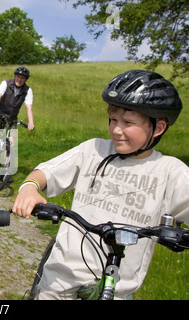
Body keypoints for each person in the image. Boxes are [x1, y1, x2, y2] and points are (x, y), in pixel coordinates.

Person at [12, 70, 189, 299]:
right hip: (60, 281)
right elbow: (45, 172)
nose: (116, 129)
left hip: (116, 290)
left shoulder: (170, 172)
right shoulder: (94, 150)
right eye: (113, 120)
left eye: (128, 122)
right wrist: (30, 188)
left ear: (158, 128)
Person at [0, 67, 34, 165]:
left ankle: (6, 173)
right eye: (18, 76)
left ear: (26, 80)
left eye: (23, 78)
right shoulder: (5, 84)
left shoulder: (28, 91)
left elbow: (29, 108)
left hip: (12, 119)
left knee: (11, 144)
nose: (20, 79)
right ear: (14, 76)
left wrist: (31, 122)